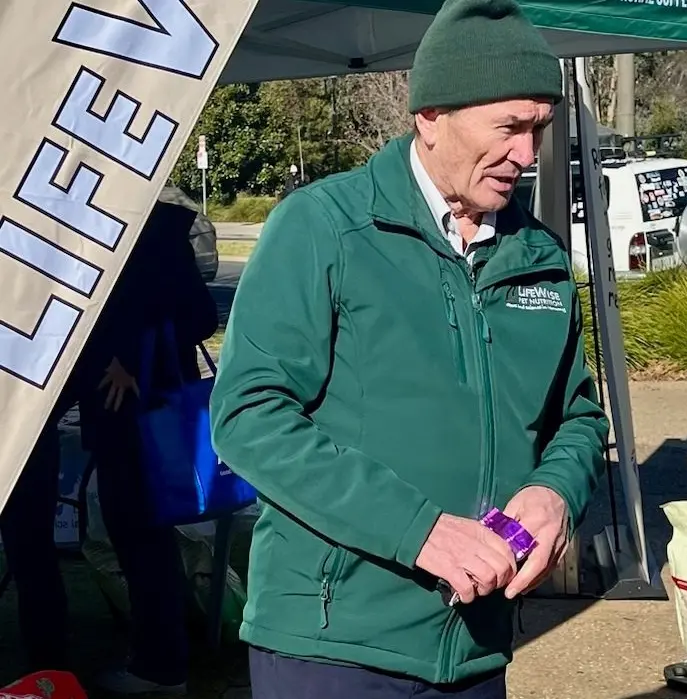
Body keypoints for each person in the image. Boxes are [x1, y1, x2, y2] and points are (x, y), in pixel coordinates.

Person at [207, 0, 608, 697]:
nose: (527, 155)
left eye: (539, 129)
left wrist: (554, 494)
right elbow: (248, 415)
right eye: (509, 127)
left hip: (476, 650)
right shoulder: (325, 228)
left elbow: (578, 417)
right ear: (430, 116)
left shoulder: (539, 258)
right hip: (332, 647)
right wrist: (419, 531)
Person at [0, 199, 219, 695]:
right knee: (122, 530)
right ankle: (100, 661)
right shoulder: (76, 218)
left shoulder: (147, 226)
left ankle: (156, 667)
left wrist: (131, 361)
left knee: (136, 531)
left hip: (134, 404)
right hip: (92, 399)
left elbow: (194, 314)